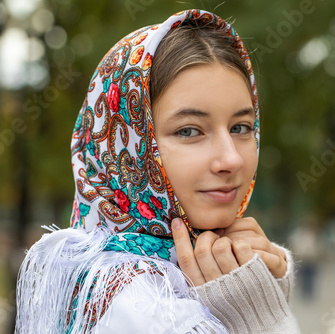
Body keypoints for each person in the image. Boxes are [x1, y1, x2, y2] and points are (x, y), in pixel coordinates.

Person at [15, 9, 300, 334]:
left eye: (241, 127)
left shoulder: (121, 268)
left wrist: (268, 285)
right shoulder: (144, 308)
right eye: (189, 131)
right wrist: (265, 319)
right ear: (129, 146)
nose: (231, 159)